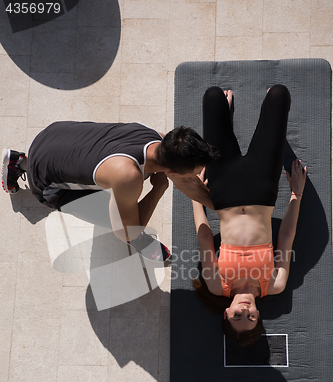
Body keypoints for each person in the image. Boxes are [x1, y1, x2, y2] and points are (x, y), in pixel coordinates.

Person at [192, 85, 307, 347]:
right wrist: (296, 195)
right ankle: (245, 116)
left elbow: (206, 238)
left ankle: (226, 113)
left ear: (226, 313)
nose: (245, 309)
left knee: (212, 95)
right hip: (261, 187)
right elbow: (286, 237)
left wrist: (195, 193)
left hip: (223, 189)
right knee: (278, 94)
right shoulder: (274, 284)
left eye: (237, 315)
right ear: (259, 316)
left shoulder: (216, 286)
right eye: (251, 316)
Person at [2, 121, 217, 261]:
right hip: (45, 184)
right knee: (122, 219)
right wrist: (158, 190)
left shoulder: (157, 138)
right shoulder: (128, 176)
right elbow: (125, 232)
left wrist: (222, 208)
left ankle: (20, 161)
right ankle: (22, 166)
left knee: (113, 190)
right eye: (193, 174)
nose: (194, 178)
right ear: (172, 171)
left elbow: (186, 183)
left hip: (51, 135)